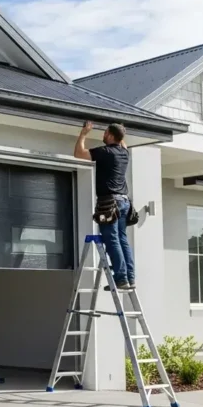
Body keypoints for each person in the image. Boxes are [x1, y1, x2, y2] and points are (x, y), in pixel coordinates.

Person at [74, 121, 135, 289]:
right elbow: (122, 141)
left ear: (111, 136)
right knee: (122, 239)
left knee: (112, 239)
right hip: (124, 202)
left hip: (109, 203)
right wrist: (120, 129)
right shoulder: (124, 152)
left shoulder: (105, 152)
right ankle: (130, 278)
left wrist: (84, 133)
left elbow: (79, 153)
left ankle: (121, 279)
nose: (103, 134)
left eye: (106, 132)